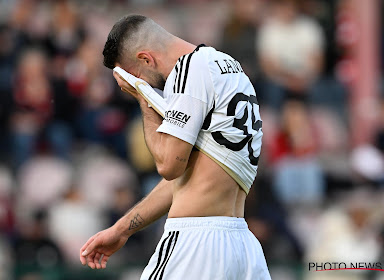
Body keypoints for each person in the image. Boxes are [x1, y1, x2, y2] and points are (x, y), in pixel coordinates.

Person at [79, 14, 270, 279]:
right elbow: (187, 178)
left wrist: (142, 97)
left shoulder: (189, 69)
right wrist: (121, 229)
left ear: (146, 59)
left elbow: (169, 166)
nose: (138, 83)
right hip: (241, 247)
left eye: (135, 75)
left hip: (196, 246)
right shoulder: (227, 65)